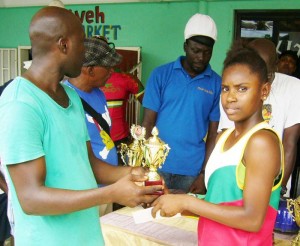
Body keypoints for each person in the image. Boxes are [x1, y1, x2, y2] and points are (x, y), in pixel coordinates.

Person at [0, 6, 162, 245]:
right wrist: (111, 193)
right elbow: (31, 199)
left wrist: (130, 174)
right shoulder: (21, 104)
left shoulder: (71, 96)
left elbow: (89, 164)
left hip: (86, 236)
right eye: (82, 44)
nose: (85, 53)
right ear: (64, 45)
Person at [151, 45, 283, 245]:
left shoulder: (261, 141)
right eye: (225, 88)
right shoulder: (224, 137)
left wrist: (188, 202)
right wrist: (176, 200)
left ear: (264, 90)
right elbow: (218, 202)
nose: (230, 97)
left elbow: (252, 219)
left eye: (242, 88)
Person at [142, 13, 221, 193]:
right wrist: (146, 165)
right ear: (185, 46)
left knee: (186, 220)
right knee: (151, 218)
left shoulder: (217, 83)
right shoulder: (160, 75)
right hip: (158, 167)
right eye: (195, 50)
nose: (201, 57)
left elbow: (213, 134)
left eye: (207, 52)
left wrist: (204, 174)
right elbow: (147, 122)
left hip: (192, 172)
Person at [218, 39, 300, 198]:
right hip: (233, 184)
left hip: (272, 185)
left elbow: (290, 143)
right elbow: (227, 137)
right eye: (225, 89)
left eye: (266, 72)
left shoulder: (295, 88)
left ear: (275, 64)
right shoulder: (232, 92)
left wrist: (279, 190)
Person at [64, 36, 123, 215]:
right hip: (85, 193)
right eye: (107, 67)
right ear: (90, 70)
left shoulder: (99, 94)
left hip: (107, 187)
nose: (112, 71)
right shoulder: (64, 100)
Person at [101, 70, 144, 153]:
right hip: (93, 139)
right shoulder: (88, 79)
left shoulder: (127, 78)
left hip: (120, 141)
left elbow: (150, 104)